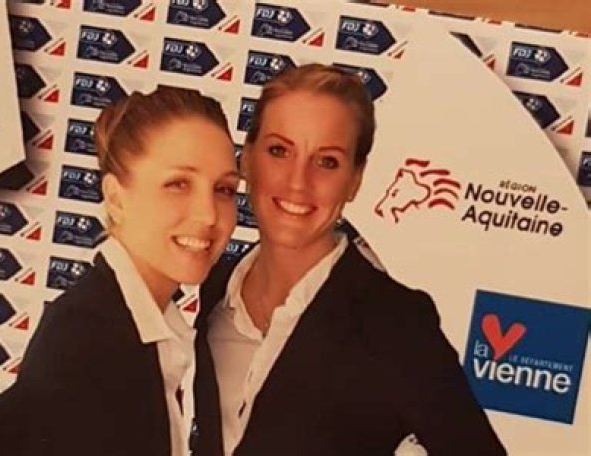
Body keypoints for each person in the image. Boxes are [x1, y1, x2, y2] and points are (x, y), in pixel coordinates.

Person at [194, 64, 507, 455]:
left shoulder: (395, 321)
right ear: (247, 159)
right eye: (279, 151)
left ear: (355, 180)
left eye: (327, 161)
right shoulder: (214, 287)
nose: (298, 181)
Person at [0, 86, 239, 456]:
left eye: (224, 189)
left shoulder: (133, 325)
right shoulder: (89, 338)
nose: (208, 214)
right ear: (116, 199)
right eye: (178, 184)